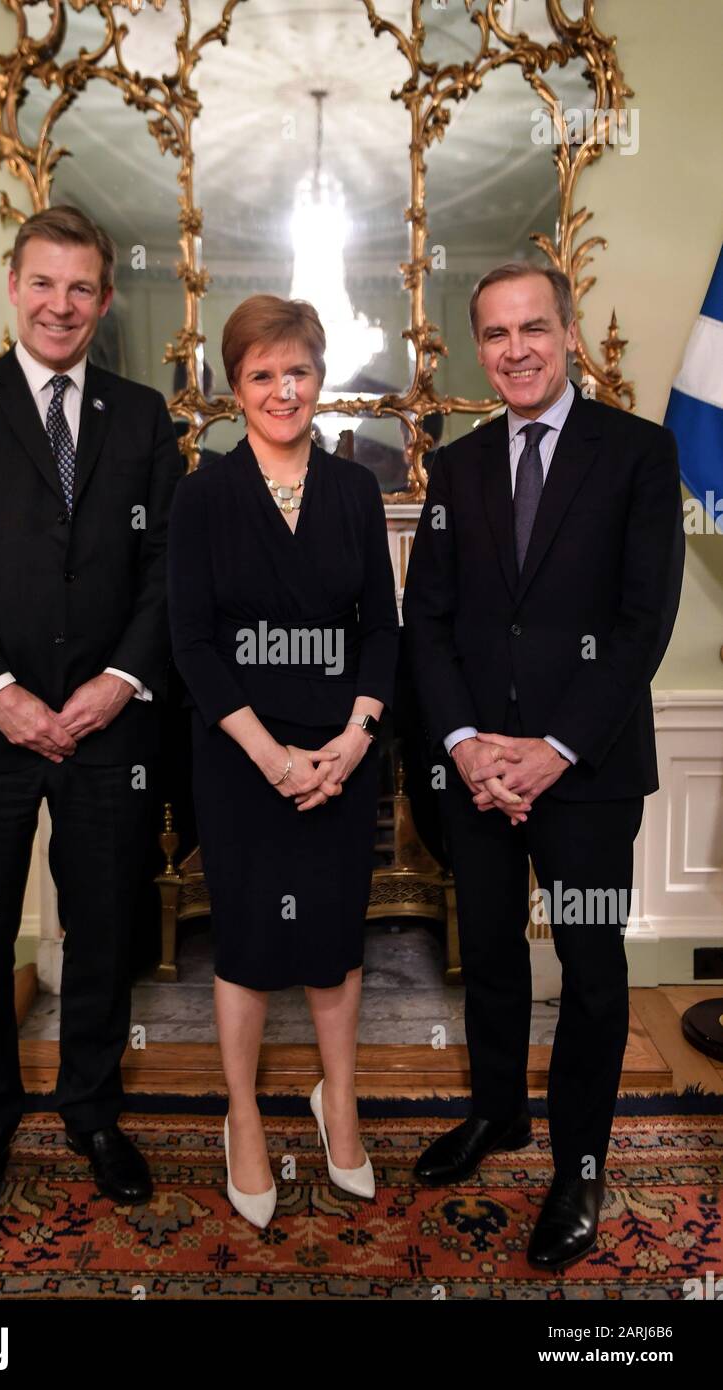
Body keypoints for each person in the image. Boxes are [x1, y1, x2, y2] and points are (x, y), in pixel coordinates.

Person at [0, 205, 184, 1240]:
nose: (61, 304)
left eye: (81, 288)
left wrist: (115, 681)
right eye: (43, 283)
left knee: (105, 938)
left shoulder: (143, 415)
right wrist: (0, 692)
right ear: (13, 286)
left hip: (110, 731)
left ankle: (94, 1114)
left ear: (103, 301)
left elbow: (166, 572)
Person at [402, 262, 684, 1270]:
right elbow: (425, 624)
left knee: (592, 971)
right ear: (475, 347)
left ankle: (577, 1162)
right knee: (485, 955)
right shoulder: (459, 464)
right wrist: (466, 746)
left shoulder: (640, 455)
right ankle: (494, 1114)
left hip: (588, 771)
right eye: (493, 332)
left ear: (565, 331)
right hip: (476, 773)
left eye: (531, 326)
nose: (514, 347)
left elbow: (639, 619)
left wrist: (553, 748)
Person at [167, 295, 399, 1228]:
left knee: (336, 941)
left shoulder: (354, 490)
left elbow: (381, 629)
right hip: (240, 759)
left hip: (341, 760)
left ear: (320, 377)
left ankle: (335, 1102)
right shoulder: (203, 494)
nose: (282, 389)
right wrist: (271, 758)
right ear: (236, 389)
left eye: (297, 370)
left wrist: (350, 743)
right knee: (251, 945)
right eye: (261, 374)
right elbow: (192, 642)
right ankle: (244, 1115)